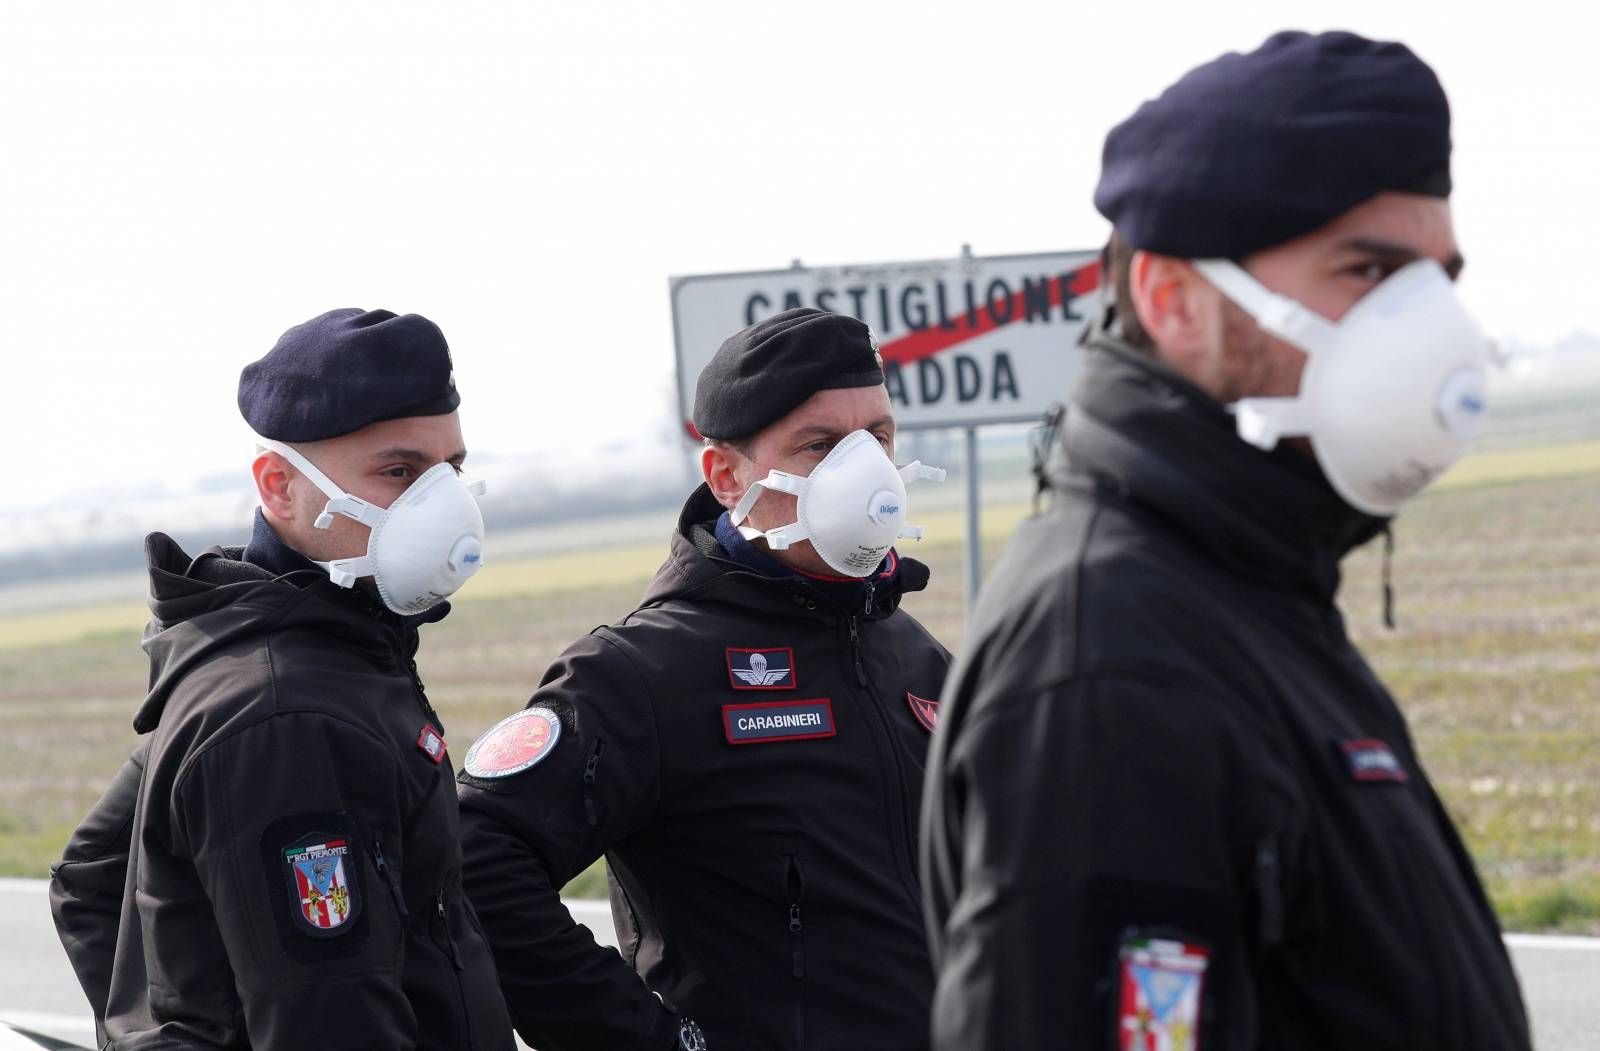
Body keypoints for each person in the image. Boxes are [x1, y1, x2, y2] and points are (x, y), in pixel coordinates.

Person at [920, 31, 1533, 1051]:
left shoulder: (1242, 587)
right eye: (1367, 269)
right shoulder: (1111, 665)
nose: (1427, 326)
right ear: (1171, 298)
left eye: (1436, 276)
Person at [458, 308, 952, 1050]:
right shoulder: (643, 672)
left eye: (877, 438)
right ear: (726, 475)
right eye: (820, 445)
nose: (866, 469)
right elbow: (476, 858)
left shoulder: (914, 654)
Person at [49, 308, 515, 1050]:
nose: (443, 504)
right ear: (280, 485)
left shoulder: (301, 650)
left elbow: (96, 872)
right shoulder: (283, 712)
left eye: (450, 469)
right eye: (399, 471)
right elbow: (332, 1027)